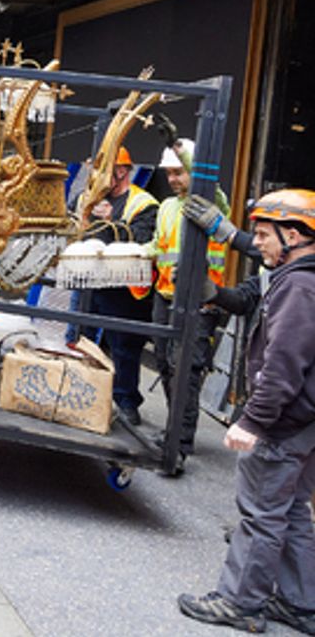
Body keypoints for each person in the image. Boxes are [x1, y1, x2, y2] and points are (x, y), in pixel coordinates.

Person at [178, 188, 315, 634]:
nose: (255, 242)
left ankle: (240, 602)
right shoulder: (297, 278)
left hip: (282, 422)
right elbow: (247, 297)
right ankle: (300, 603)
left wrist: (253, 421)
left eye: (262, 233)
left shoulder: (298, 286)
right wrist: (216, 293)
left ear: (293, 235)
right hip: (303, 423)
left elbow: (283, 365)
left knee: (261, 513)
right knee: (291, 510)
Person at [151, 139, 230, 459]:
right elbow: (159, 246)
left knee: (186, 366)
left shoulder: (212, 205)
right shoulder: (167, 207)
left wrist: (184, 152)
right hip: (166, 293)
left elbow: (212, 191)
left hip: (201, 299)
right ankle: (174, 425)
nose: (173, 179)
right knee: (164, 362)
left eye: (179, 172)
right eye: (169, 173)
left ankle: (181, 439)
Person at [82, 146, 159, 427]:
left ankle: (126, 402)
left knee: (124, 346)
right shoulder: (95, 198)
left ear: (122, 171)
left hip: (126, 288)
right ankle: (87, 394)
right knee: (85, 340)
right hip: (94, 280)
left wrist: (109, 220)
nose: (99, 179)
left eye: (105, 173)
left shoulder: (144, 204)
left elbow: (140, 239)